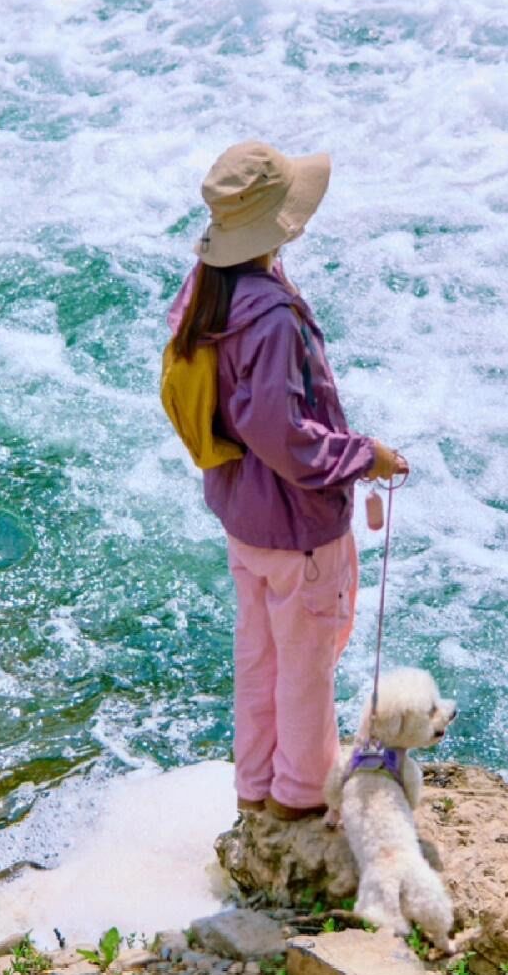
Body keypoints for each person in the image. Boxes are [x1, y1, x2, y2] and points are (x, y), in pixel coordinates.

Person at [169, 140, 405, 820]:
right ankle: (300, 805)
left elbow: (244, 417)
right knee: (306, 670)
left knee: (261, 664)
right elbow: (283, 433)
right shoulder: (271, 316)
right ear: (278, 227)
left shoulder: (205, 294)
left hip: (245, 520)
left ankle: (255, 794)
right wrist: (366, 455)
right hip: (299, 530)